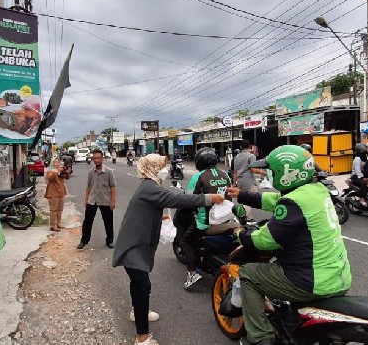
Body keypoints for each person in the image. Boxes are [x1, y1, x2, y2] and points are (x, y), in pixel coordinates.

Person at [225, 145, 351, 345]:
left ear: (286, 174)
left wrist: (241, 234)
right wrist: (240, 194)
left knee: (248, 274)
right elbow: (275, 199)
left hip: (311, 281)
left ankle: (259, 337)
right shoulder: (317, 190)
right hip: (339, 277)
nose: (268, 174)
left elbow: (264, 241)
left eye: (272, 171)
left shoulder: (293, 202)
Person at [112, 154, 225, 345]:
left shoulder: (150, 186)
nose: (164, 170)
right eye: (161, 166)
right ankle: (142, 338)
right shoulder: (149, 187)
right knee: (142, 285)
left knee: (138, 284)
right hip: (133, 246)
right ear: (152, 168)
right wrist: (208, 198)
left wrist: (161, 218)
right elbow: (177, 199)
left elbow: (158, 204)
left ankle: (138, 311)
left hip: (136, 243)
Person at [179, 147, 239, 289]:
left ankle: (192, 273)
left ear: (198, 161)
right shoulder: (225, 174)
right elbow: (229, 196)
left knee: (185, 242)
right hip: (228, 219)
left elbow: (191, 200)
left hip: (206, 223)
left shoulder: (198, 176)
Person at [78, 149, 117, 249]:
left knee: (108, 221)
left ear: (102, 159)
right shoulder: (91, 172)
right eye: (94, 158)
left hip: (105, 200)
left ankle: (109, 240)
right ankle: (84, 241)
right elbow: (88, 186)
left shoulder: (109, 172)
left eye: (98, 158)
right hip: (92, 200)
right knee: (87, 221)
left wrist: (112, 201)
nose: (96, 160)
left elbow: (112, 186)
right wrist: (86, 199)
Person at [233, 139, 267, 217]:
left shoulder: (236, 157)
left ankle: (243, 215)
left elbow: (235, 171)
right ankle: (245, 217)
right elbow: (253, 169)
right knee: (249, 200)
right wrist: (264, 173)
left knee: (242, 199)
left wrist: (234, 183)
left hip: (240, 181)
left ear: (241, 147)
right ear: (250, 146)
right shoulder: (251, 156)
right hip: (249, 182)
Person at [45, 156, 69, 231]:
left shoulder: (60, 170)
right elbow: (50, 178)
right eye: (55, 162)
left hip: (61, 192)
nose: (57, 163)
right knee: (53, 210)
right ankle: (53, 225)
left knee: (60, 209)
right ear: (52, 163)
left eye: (58, 162)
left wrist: (66, 171)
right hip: (53, 193)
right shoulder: (50, 171)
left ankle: (58, 223)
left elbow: (67, 177)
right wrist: (56, 172)